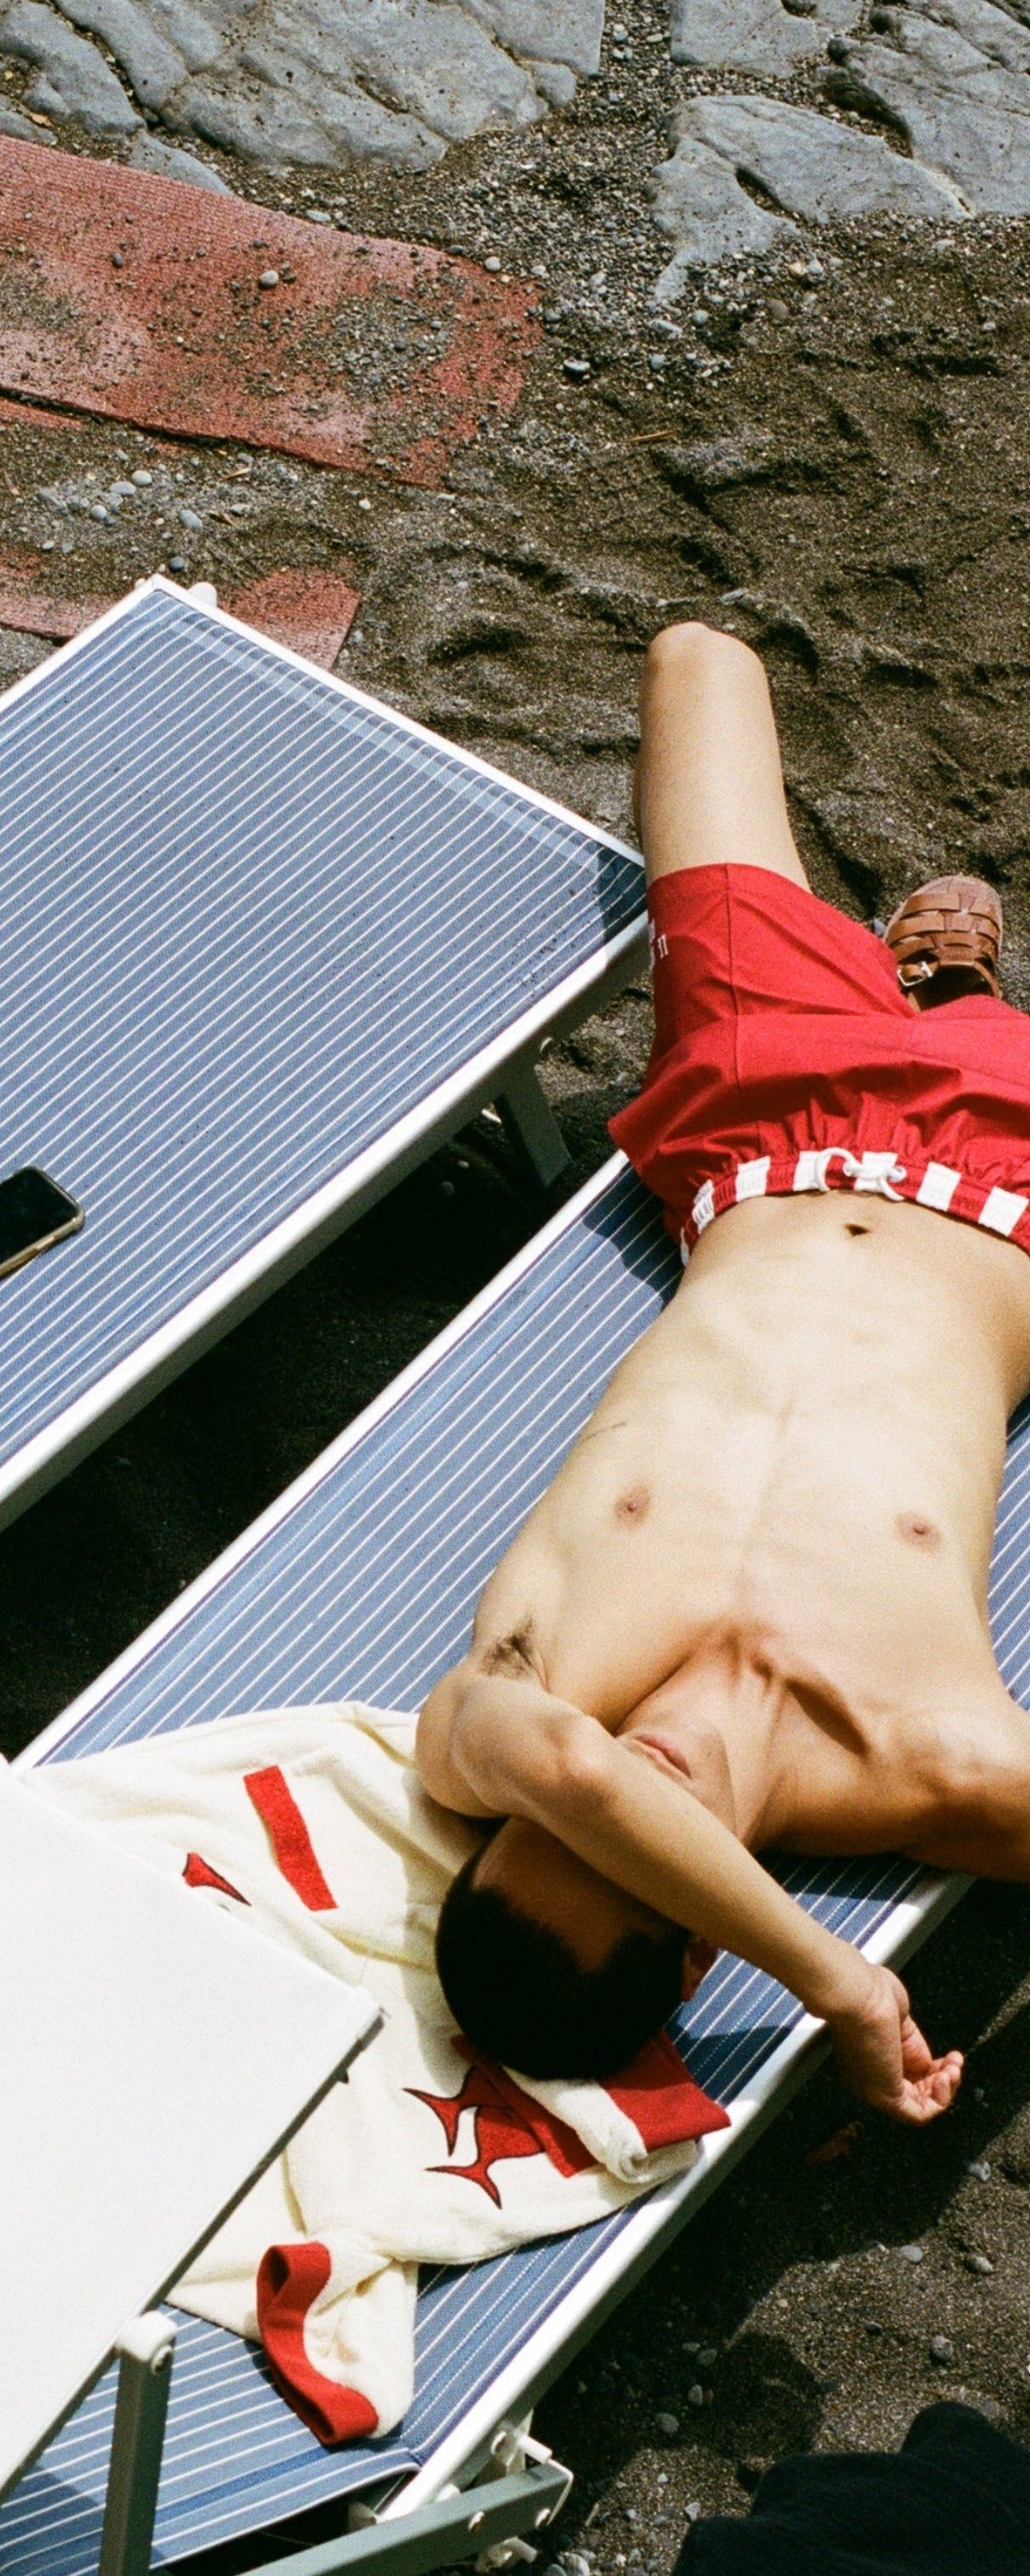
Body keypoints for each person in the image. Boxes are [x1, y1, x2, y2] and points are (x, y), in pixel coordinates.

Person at [416, 618, 1030, 2129]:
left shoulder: (517, 1703)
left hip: (767, 1116)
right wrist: (850, 1988)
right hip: (1014, 1192)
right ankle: (959, 1007)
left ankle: (939, 997)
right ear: (702, 1945)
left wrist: (835, 1981)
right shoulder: (921, 1759)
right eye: (640, 1836)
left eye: (565, 1810)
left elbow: (559, 1763)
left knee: (701, 664)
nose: (632, 1765)